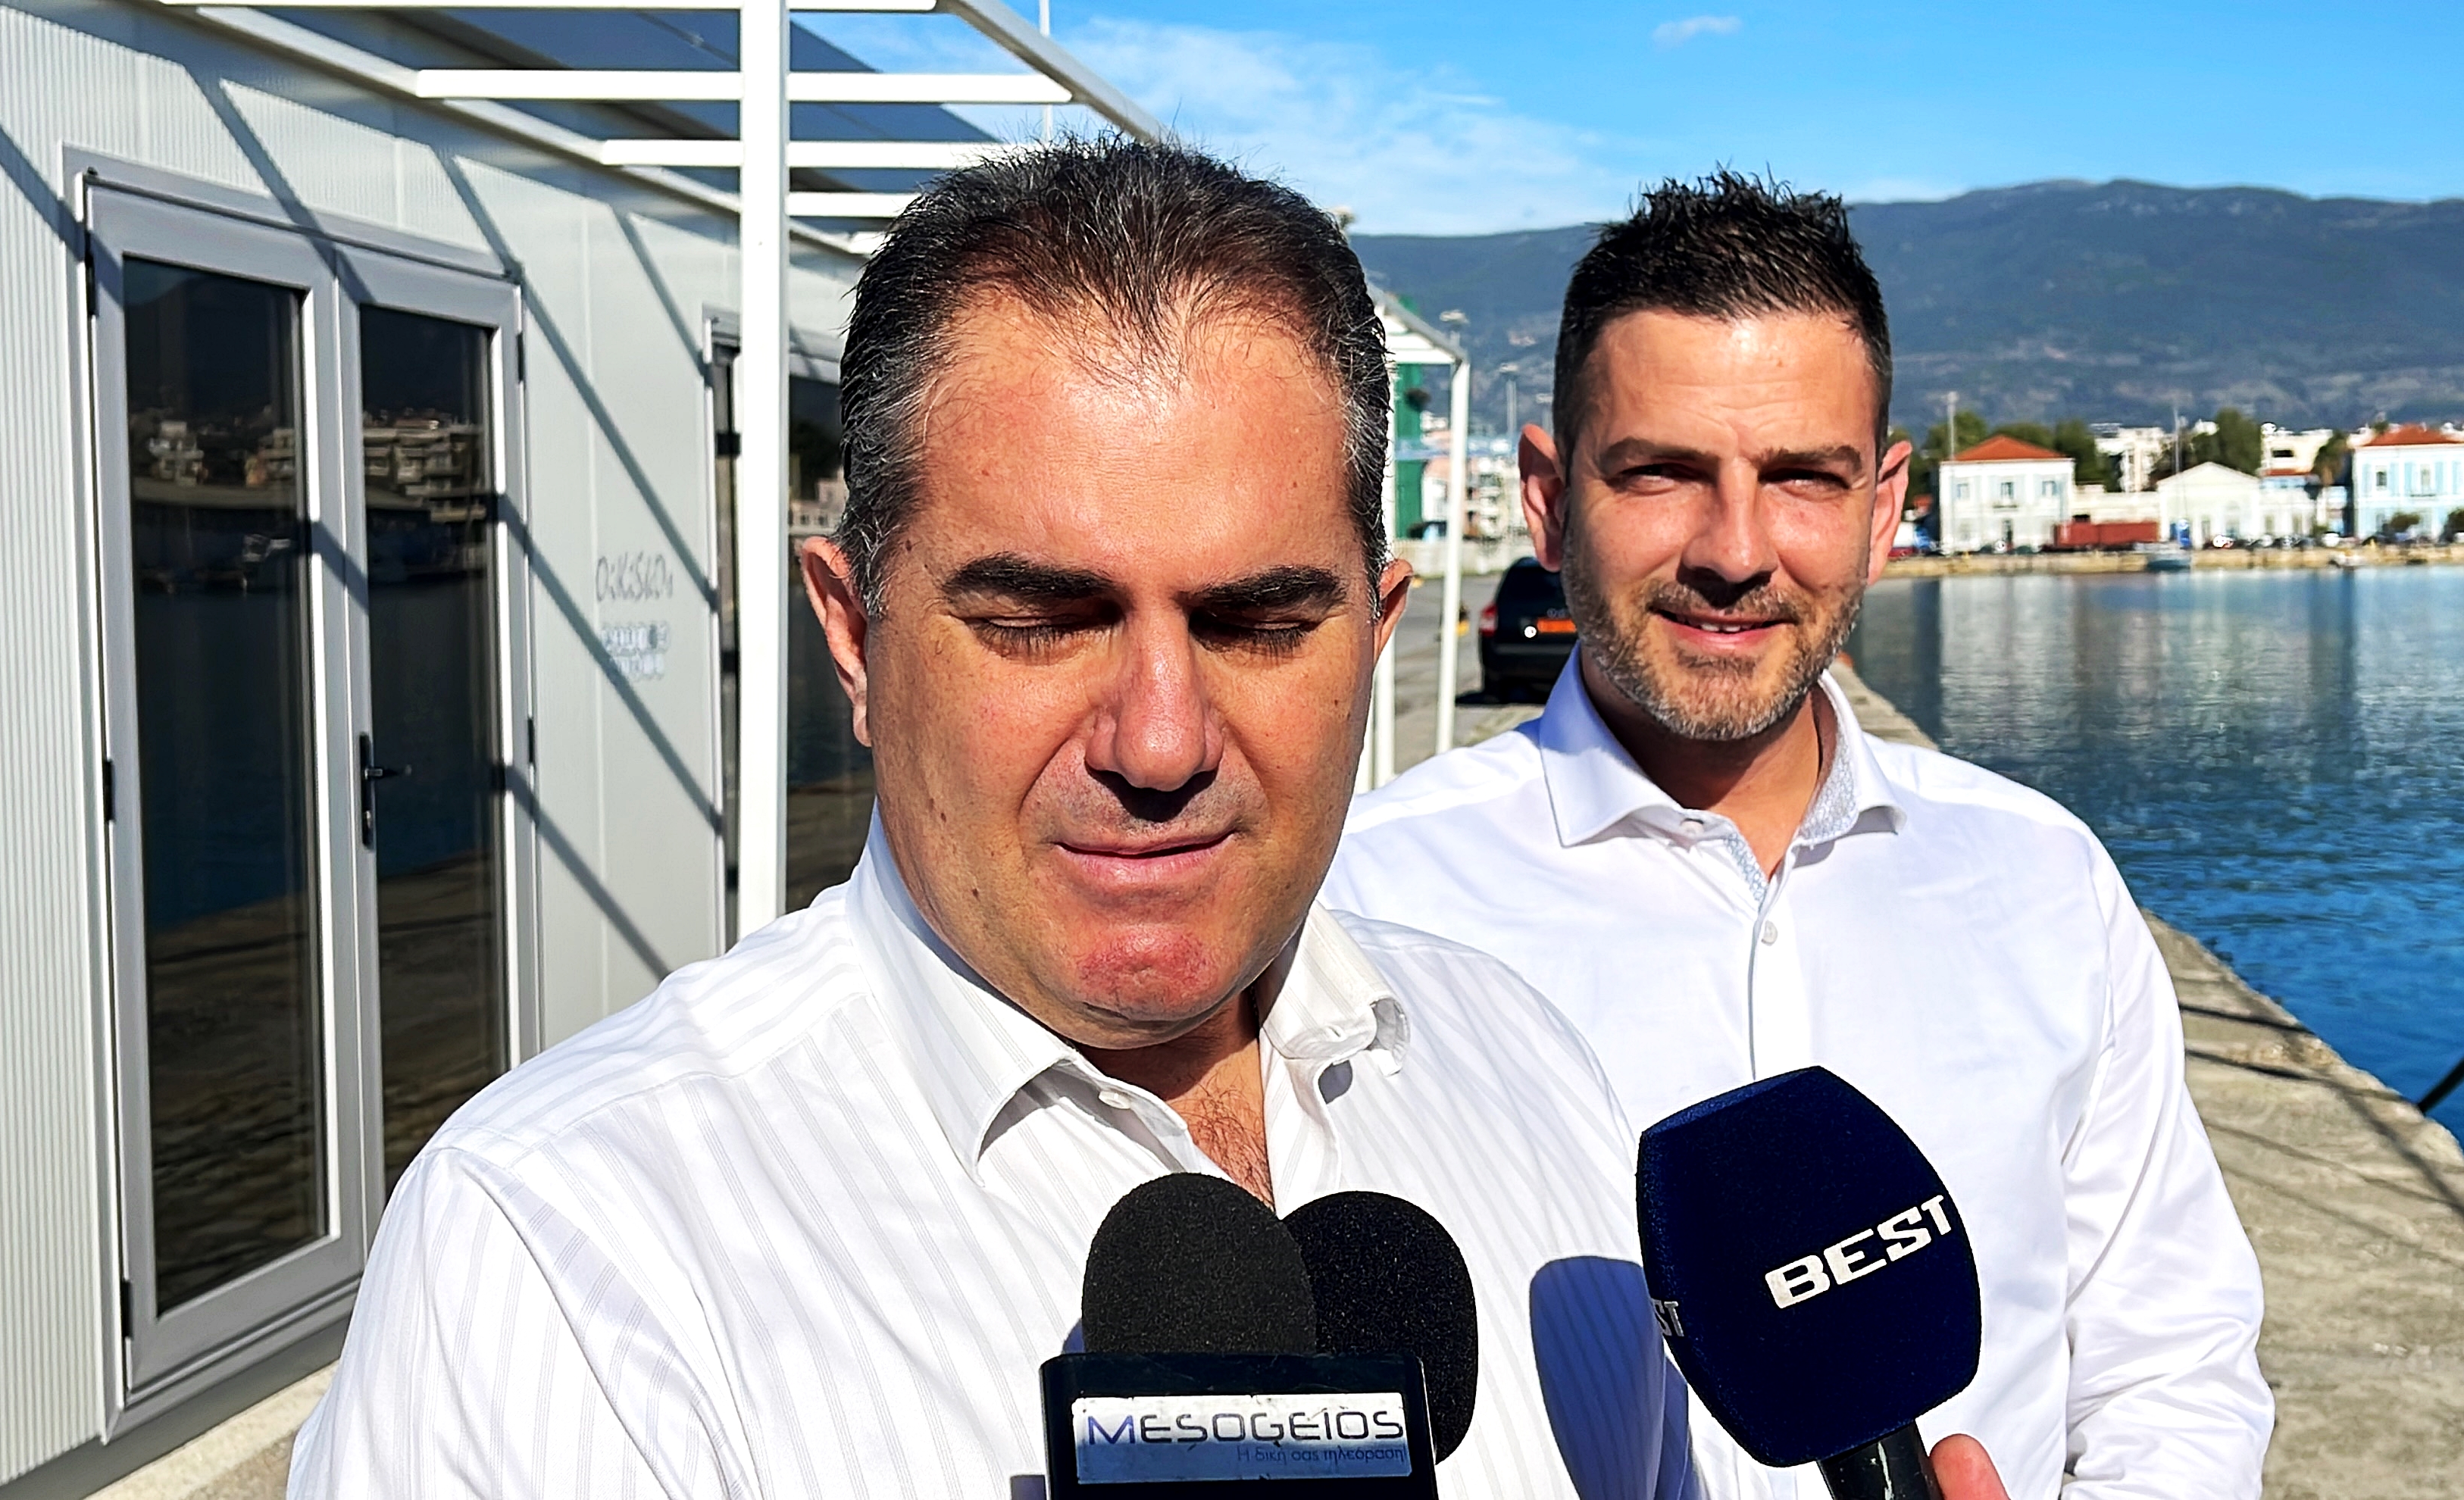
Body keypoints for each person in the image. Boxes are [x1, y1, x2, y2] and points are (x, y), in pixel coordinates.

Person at [291, 139, 1711, 1498]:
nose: (1160, 743)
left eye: (1258, 624)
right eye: (1039, 621)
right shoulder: (559, 1263)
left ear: (1376, 634)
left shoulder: (1526, 1069)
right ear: (853, 638)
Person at [1326, 173, 2271, 1500]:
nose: (1735, 550)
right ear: (1548, 498)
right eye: (1662, 473)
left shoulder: (2043, 881)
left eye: (1802, 479)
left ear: (1882, 507)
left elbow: (2172, 1363)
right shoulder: (1361, 906)